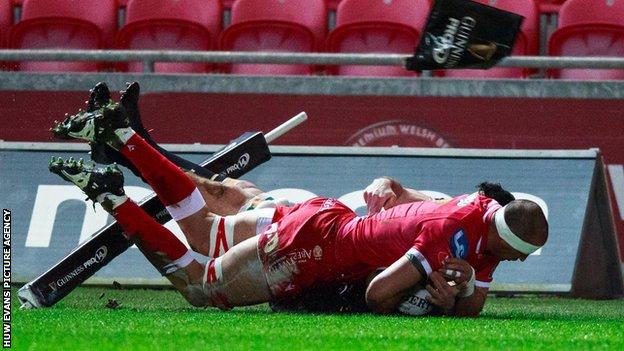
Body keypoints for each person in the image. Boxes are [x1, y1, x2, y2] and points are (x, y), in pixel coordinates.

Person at [48, 83, 548, 316]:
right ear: (509, 242)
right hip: (313, 249)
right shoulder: (451, 237)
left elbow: (475, 298)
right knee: (200, 287)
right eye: (522, 254)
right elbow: (378, 295)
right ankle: (114, 195)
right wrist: (435, 298)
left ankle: (122, 138)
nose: (521, 262)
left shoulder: (486, 213)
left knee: (210, 224)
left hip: (325, 218)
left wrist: (458, 298)